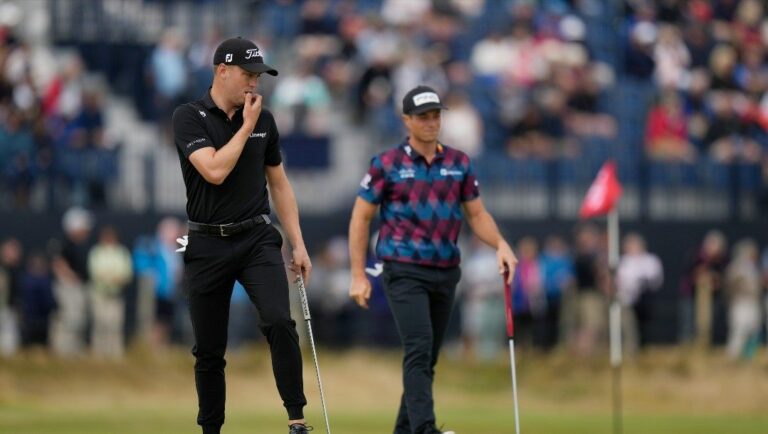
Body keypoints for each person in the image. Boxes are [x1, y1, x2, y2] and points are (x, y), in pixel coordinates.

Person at [348, 85, 517, 434]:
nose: (431, 122)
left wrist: (500, 243)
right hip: (403, 269)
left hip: (445, 271)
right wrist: (357, 275)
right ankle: (425, 430)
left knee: (426, 359)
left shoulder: (459, 163)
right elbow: (360, 218)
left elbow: (477, 214)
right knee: (419, 347)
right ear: (406, 119)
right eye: (423, 116)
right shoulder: (386, 164)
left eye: (436, 115)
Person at [171, 36, 313, 434]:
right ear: (222, 71)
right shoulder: (189, 117)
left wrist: (298, 242)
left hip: (256, 237)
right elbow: (214, 170)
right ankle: (211, 429)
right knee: (209, 351)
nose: (255, 83)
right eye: (248, 75)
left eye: (259, 76)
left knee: (279, 322)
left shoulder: (264, 121)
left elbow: (280, 185)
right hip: (206, 242)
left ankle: (297, 421)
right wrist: (247, 125)